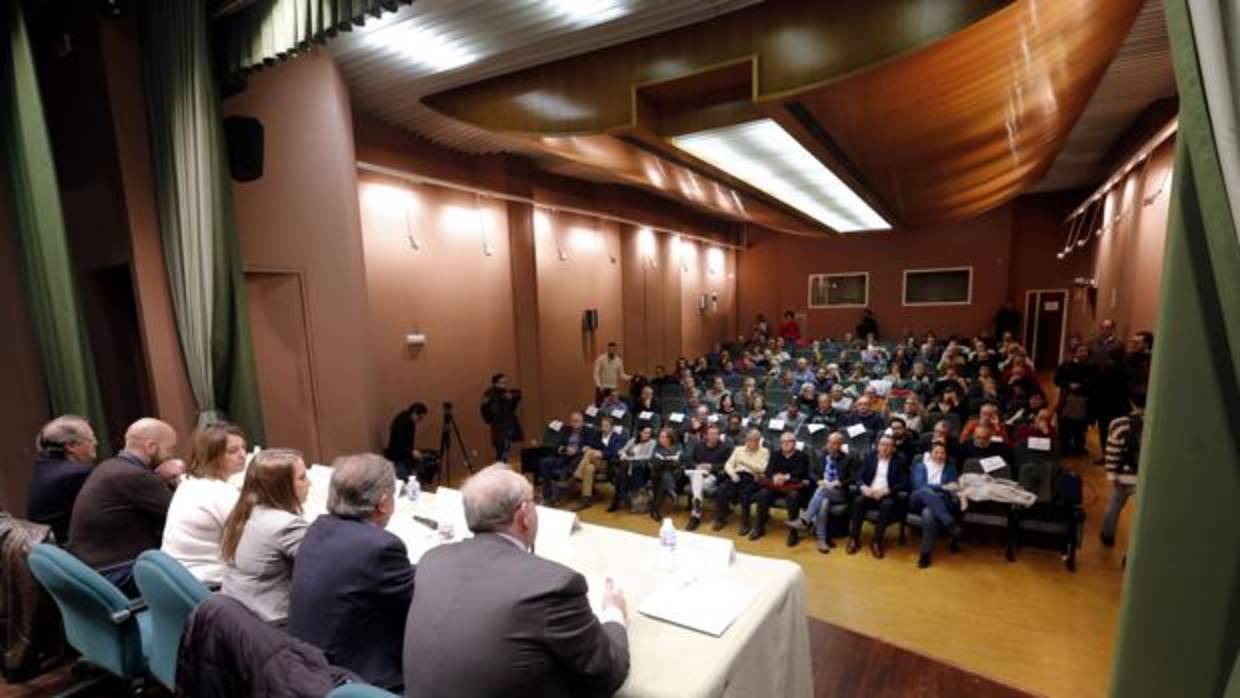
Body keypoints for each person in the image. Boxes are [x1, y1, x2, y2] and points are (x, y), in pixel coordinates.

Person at [403, 465, 629, 698]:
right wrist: (614, 614)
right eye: (535, 500)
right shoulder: (555, 586)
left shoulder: (432, 561)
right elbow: (606, 676)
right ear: (524, 516)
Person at [289, 454, 414, 691]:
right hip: (358, 677)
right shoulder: (381, 546)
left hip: (309, 666)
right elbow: (418, 608)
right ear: (384, 502)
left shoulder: (318, 527)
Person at [67, 418, 183, 595]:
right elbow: (185, 515)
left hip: (93, 571)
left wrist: (158, 478)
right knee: (201, 572)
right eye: (170, 449)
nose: (171, 456)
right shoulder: (136, 476)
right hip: (117, 573)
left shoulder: (110, 467)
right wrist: (178, 478)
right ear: (151, 447)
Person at [220, 448, 310, 623]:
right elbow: (330, 571)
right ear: (282, 487)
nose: (309, 483)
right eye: (302, 477)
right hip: (272, 626)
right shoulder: (286, 525)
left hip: (240, 619)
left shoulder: (244, 512)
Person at [162, 422, 246, 585]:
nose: (242, 455)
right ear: (211, 456)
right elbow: (254, 544)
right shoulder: (221, 494)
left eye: (243, 447)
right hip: (209, 583)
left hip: (179, 579)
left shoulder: (187, 484)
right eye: (232, 451)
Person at [27, 415, 97, 544]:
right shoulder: (77, 474)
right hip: (77, 552)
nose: (95, 442)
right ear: (71, 446)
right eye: (91, 438)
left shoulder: (43, 467)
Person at [788, 432, 858, 553]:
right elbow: (811, 472)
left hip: (839, 493)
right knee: (823, 503)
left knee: (822, 491)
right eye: (829, 442)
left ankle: (805, 519)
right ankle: (822, 540)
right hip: (823, 490)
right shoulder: (821, 456)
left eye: (834, 443)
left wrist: (840, 482)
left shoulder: (848, 459)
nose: (830, 445)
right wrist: (819, 480)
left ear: (840, 445)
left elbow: (854, 477)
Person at [846, 435, 906, 559]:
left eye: (888, 445)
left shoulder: (899, 461)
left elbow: (903, 483)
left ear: (893, 448)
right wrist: (863, 487)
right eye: (882, 444)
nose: (884, 448)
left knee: (887, 505)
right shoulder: (870, 457)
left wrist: (887, 491)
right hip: (869, 492)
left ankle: (876, 541)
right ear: (877, 446)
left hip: (885, 495)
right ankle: (854, 538)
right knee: (858, 501)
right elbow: (859, 477)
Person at [1101, 390, 1146, 547]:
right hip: (1144, 478)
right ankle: (1135, 546)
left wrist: (1112, 474)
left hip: (1122, 475)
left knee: (1114, 506)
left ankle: (1107, 536)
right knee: (1139, 514)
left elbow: (1112, 451)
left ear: (1131, 402)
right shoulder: (1157, 424)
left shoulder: (1119, 423)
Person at [909, 442, 961, 569]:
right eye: (936, 452)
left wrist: (942, 489)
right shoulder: (920, 466)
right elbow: (919, 486)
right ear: (931, 454)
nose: (939, 455)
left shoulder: (950, 469)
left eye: (942, 453)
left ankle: (925, 554)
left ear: (946, 455)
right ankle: (949, 523)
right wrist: (942, 487)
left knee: (929, 513)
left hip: (939, 503)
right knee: (925, 491)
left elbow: (953, 487)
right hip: (918, 500)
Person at [754, 432, 812, 545]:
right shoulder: (775, 454)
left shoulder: (802, 456)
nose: (785, 444)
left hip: (792, 487)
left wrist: (786, 477)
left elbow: (802, 473)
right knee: (763, 493)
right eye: (783, 442)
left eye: (788, 441)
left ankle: (793, 532)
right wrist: (774, 476)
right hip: (775, 486)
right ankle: (759, 527)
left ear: (794, 443)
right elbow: (768, 470)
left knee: (793, 496)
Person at [713, 429, 769, 535]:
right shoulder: (738, 449)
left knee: (745, 494)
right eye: (748, 440)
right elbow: (728, 464)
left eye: (753, 440)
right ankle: (721, 518)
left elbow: (761, 468)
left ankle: (745, 524)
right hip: (736, 476)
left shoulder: (764, 451)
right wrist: (732, 474)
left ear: (758, 441)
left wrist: (744, 462)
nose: (749, 443)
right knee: (722, 490)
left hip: (752, 478)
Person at [570, 415, 624, 511]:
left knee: (590, 453)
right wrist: (590, 448)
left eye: (606, 426)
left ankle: (577, 476)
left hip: (608, 463)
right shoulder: (598, 435)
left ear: (612, 427)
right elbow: (593, 446)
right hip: (594, 461)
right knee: (589, 468)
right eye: (602, 425)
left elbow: (616, 452)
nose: (603, 428)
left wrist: (602, 454)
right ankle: (586, 500)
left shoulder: (617, 438)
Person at [683, 425, 731, 530]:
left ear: (719, 436)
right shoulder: (699, 445)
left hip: (713, 476)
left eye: (715, 434)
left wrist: (712, 466)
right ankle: (696, 508)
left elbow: (727, 464)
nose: (712, 436)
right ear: (706, 435)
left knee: (697, 480)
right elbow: (689, 460)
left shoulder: (725, 447)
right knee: (697, 475)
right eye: (710, 434)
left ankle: (695, 515)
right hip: (697, 473)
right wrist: (697, 466)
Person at [1054, 343, 1095, 455]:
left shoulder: (1091, 367)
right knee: (1065, 425)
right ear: (1075, 353)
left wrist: (1082, 386)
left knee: (1080, 427)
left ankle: (1078, 448)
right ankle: (1064, 448)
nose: (1083, 353)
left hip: (1083, 400)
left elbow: (1094, 384)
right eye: (1080, 351)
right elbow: (1057, 380)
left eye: (1085, 351)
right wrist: (1068, 385)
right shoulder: (1066, 365)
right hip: (1067, 399)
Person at [539, 412, 588, 505]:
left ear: (582, 422)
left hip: (577, 459)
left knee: (576, 460)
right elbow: (559, 444)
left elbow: (589, 447)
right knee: (545, 462)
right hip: (564, 457)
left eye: (577, 421)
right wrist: (561, 448)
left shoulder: (587, 432)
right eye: (573, 421)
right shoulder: (566, 430)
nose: (574, 423)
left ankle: (563, 484)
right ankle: (547, 496)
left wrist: (576, 451)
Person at [608, 426, 655, 512]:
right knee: (622, 471)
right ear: (640, 432)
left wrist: (632, 458)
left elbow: (648, 456)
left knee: (622, 471)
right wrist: (623, 454)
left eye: (649, 433)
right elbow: (622, 450)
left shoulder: (652, 442)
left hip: (642, 467)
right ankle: (620, 497)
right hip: (628, 466)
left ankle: (618, 499)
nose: (647, 435)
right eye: (645, 432)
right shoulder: (633, 440)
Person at [384, 402, 430, 484]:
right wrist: (411, 451)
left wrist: (412, 451)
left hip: (402, 456)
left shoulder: (407, 419)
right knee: (403, 483)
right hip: (397, 458)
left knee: (406, 481)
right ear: (414, 413)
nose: (420, 420)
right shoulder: (402, 422)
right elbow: (398, 443)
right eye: (420, 417)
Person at [482, 374, 523, 464]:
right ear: (495, 383)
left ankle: (502, 465)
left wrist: (512, 399)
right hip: (498, 425)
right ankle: (501, 466)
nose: (505, 384)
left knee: (506, 447)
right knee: (500, 447)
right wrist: (489, 419)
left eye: (505, 382)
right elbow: (484, 408)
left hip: (507, 424)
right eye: (502, 382)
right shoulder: (489, 394)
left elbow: (512, 407)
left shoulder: (506, 393)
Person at [649, 428, 684, 520]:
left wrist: (664, 460)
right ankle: (671, 491)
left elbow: (678, 461)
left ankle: (655, 510)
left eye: (664, 437)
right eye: (660, 437)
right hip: (658, 473)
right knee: (663, 475)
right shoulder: (657, 447)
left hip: (675, 475)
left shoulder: (678, 446)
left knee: (664, 475)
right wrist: (668, 461)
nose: (661, 439)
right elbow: (653, 461)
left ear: (670, 438)